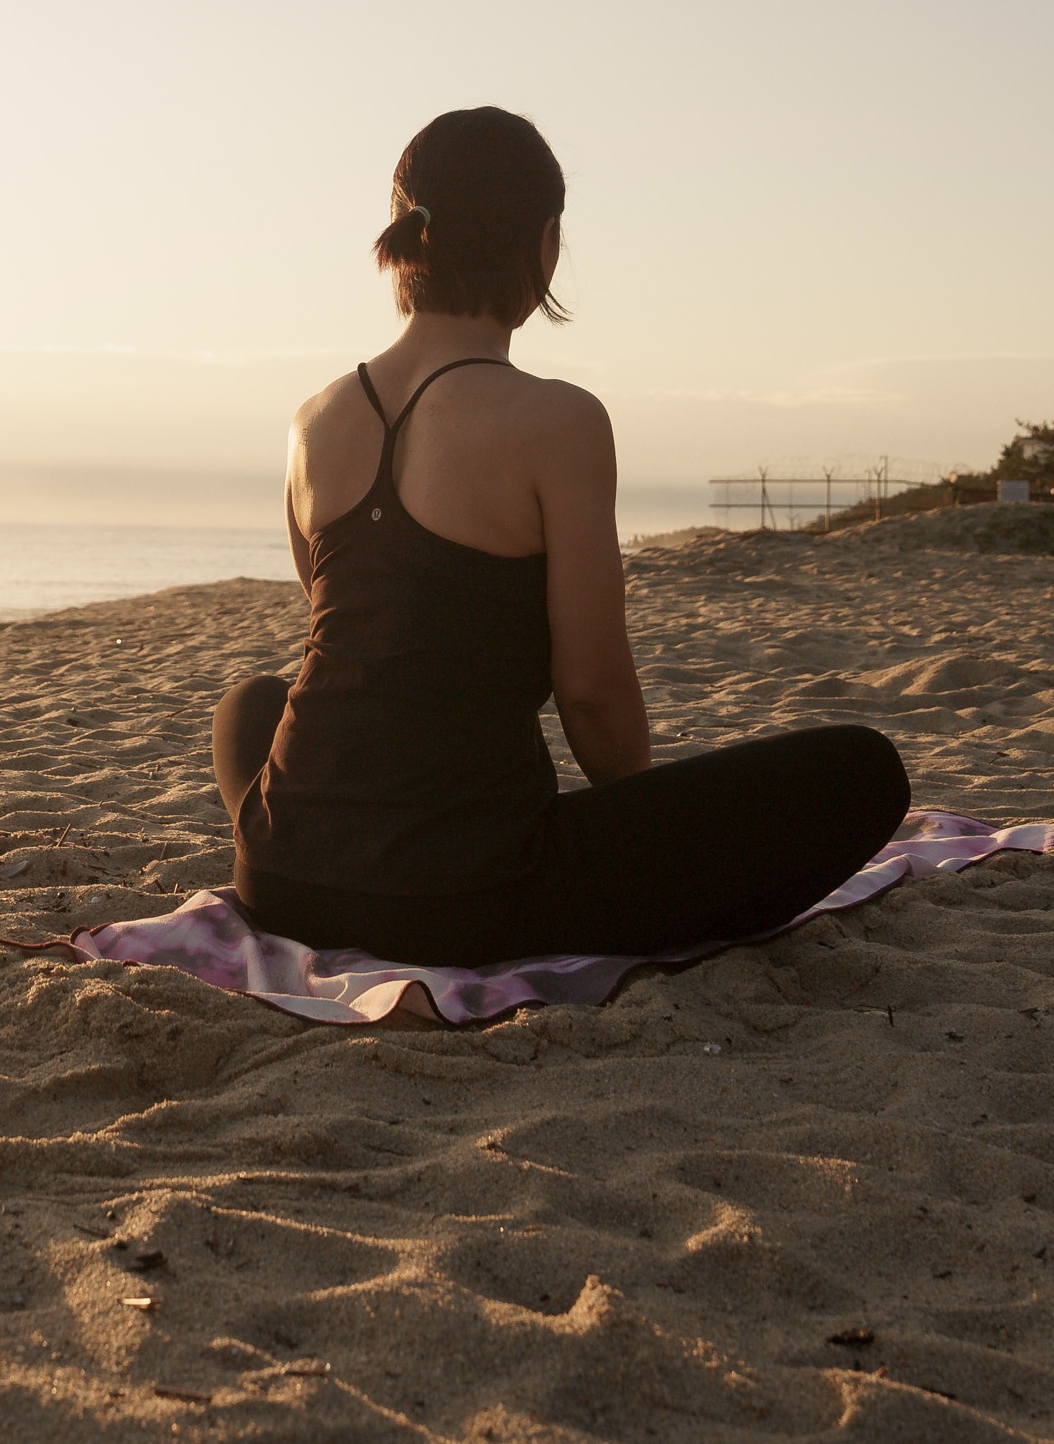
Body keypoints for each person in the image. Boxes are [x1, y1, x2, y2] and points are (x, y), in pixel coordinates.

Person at [214, 107, 909, 966]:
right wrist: (647, 821)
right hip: (463, 895)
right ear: (542, 244)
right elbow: (589, 694)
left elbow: (354, 636)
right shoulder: (558, 420)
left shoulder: (310, 420)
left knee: (251, 703)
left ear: (405, 238)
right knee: (864, 771)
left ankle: (311, 860)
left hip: (281, 875)